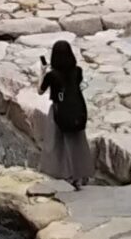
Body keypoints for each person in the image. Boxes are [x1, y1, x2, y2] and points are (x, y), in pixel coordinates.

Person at [40, 38, 95, 191]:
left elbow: (40, 90)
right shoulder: (78, 71)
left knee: (58, 144)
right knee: (78, 142)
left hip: (59, 111)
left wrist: (42, 72)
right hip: (77, 111)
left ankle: (65, 174)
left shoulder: (52, 76)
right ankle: (81, 175)